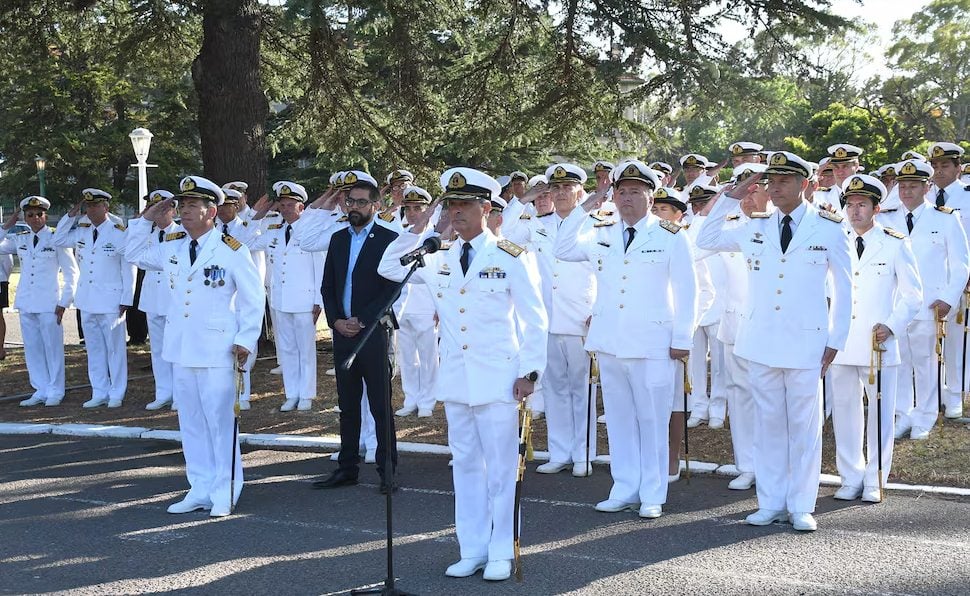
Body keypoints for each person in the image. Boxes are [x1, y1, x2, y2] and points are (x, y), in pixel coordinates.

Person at [378, 167, 547, 582]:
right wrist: (420, 226)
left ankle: (501, 550)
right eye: (451, 206)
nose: (456, 213)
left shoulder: (511, 255)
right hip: (457, 381)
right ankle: (470, 548)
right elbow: (387, 267)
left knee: (502, 468)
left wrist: (530, 373)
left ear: (485, 208)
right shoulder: (438, 256)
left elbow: (535, 319)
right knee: (466, 465)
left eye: (464, 205)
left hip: (499, 379)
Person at [697, 151, 853, 532]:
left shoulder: (830, 228)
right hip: (762, 342)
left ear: (805, 185)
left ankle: (801, 504)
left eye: (785, 181)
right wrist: (734, 195)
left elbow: (847, 289)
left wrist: (837, 339)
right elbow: (707, 237)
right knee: (767, 425)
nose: (776, 188)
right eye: (772, 181)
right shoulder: (755, 227)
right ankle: (769, 501)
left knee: (803, 426)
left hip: (807, 343)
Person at [556, 160, 697, 520]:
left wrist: (682, 338)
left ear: (651, 197)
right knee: (619, 418)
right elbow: (562, 248)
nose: (627, 198)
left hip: (652, 342)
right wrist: (586, 206)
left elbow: (687, 291)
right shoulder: (601, 231)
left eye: (636, 191)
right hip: (610, 340)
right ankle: (624, 486)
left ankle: (652, 492)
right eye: (622, 192)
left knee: (651, 419)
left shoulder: (670, 235)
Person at [126, 175, 264, 517]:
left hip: (219, 348)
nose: (183, 212)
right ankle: (199, 487)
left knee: (220, 422)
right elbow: (133, 253)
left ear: (211, 211)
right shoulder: (172, 245)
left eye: (191, 206)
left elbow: (253, 298)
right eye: (181, 205)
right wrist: (148, 216)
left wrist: (245, 339)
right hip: (182, 348)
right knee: (191, 422)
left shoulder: (231, 250)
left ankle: (226, 489)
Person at [829, 174, 921, 503]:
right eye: (850, 205)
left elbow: (913, 296)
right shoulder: (835, 240)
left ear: (876, 208)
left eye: (862, 205)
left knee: (879, 415)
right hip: (840, 343)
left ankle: (875, 477)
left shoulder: (895, 242)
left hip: (877, 343)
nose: (854, 211)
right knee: (844, 413)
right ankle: (850, 475)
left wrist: (892, 325)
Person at [508, 163, 599, 478]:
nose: (560, 194)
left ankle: (584, 454)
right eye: (555, 188)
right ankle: (560, 452)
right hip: (549, 318)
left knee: (582, 390)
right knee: (556, 388)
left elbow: (605, 271)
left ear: (579, 191)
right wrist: (524, 198)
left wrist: (598, 311)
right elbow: (506, 234)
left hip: (581, 319)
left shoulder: (595, 224)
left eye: (566, 188)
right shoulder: (537, 224)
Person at [314, 171, 401, 494]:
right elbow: (328, 286)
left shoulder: (389, 239)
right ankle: (347, 467)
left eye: (361, 202)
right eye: (350, 201)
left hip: (373, 332)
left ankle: (387, 471)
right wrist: (336, 320)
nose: (354, 207)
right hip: (341, 332)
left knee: (380, 405)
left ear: (376, 206)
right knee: (347, 405)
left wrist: (361, 319)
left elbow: (392, 288)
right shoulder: (338, 239)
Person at [881, 159, 969, 439]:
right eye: (902, 185)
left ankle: (926, 416)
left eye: (913, 186)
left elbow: (961, 264)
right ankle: (903, 413)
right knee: (900, 361)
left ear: (927, 187)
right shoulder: (886, 217)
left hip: (929, 305)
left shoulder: (945, 218)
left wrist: (947, 298)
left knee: (926, 362)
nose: (907, 191)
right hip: (896, 305)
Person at [52, 188, 134, 408]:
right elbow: (59, 239)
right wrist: (71, 214)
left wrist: (127, 296)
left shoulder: (119, 232)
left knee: (115, 349)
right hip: (87, 299)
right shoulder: (82, 230)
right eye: (87, 206)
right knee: (94, 348)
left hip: (111, 300)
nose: (90, 210)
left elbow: (128, 268)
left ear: (105, 207)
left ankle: (117, 392)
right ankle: (99, 391)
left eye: (95, 206)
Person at [248, 181, 324, 412]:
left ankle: (307, 394)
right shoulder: (274, 230)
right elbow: (245, 241)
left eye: (292, 205)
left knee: (305, 350)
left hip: (304, 300)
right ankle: (291, 393)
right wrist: (255, 215)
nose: (287, 209)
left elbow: (320, 268)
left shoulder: (310, 231)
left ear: (302, 207)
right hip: (280, 300)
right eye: (283, 205)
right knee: (288, 350)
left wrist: (319, 301)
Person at [0, 197, 78, 406]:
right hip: (26, 301)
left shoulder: (56, 239)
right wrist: (8, 224)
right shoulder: (20, 238)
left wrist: (64, 301)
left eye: (39, 214)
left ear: (45, 215)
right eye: (30, 215)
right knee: (32, 348)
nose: (35, 219)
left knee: (52, 348)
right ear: (24, 217)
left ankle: (55, 389)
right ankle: (40, 389)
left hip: (49, 303)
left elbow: (72, 274)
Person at [927, 142, 970, 420]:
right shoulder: (922, 193)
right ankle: (933, 394)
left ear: (958, 168)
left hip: (960, 279)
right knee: (925, 342)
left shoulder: (967, 196)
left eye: (945, 166)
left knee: (956, 341)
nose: (939, 171)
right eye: (935, 166)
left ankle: (955, 395)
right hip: (929, 279)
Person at [394, 187, 440, 418]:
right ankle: (410, 398)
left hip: (426, 306)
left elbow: (440, 275)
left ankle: (427, 401)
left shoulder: (435, 237)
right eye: (409, 208)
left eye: (418, 208)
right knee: (407, 356)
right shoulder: (400, 233)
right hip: (402, 305)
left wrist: (438, 306)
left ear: (428, 211)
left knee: (428, 357)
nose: (412, 213)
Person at [136, 190, 181, 410]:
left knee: (177, 348)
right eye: (154, 209)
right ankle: (163, 392)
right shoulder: (146, 234)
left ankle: (180, 393)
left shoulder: (182, 233)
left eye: (162, 209)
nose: (158, 214)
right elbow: (131, 253)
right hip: (153, 297)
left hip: (173, 298)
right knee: (158, 349)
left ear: (173, 210)